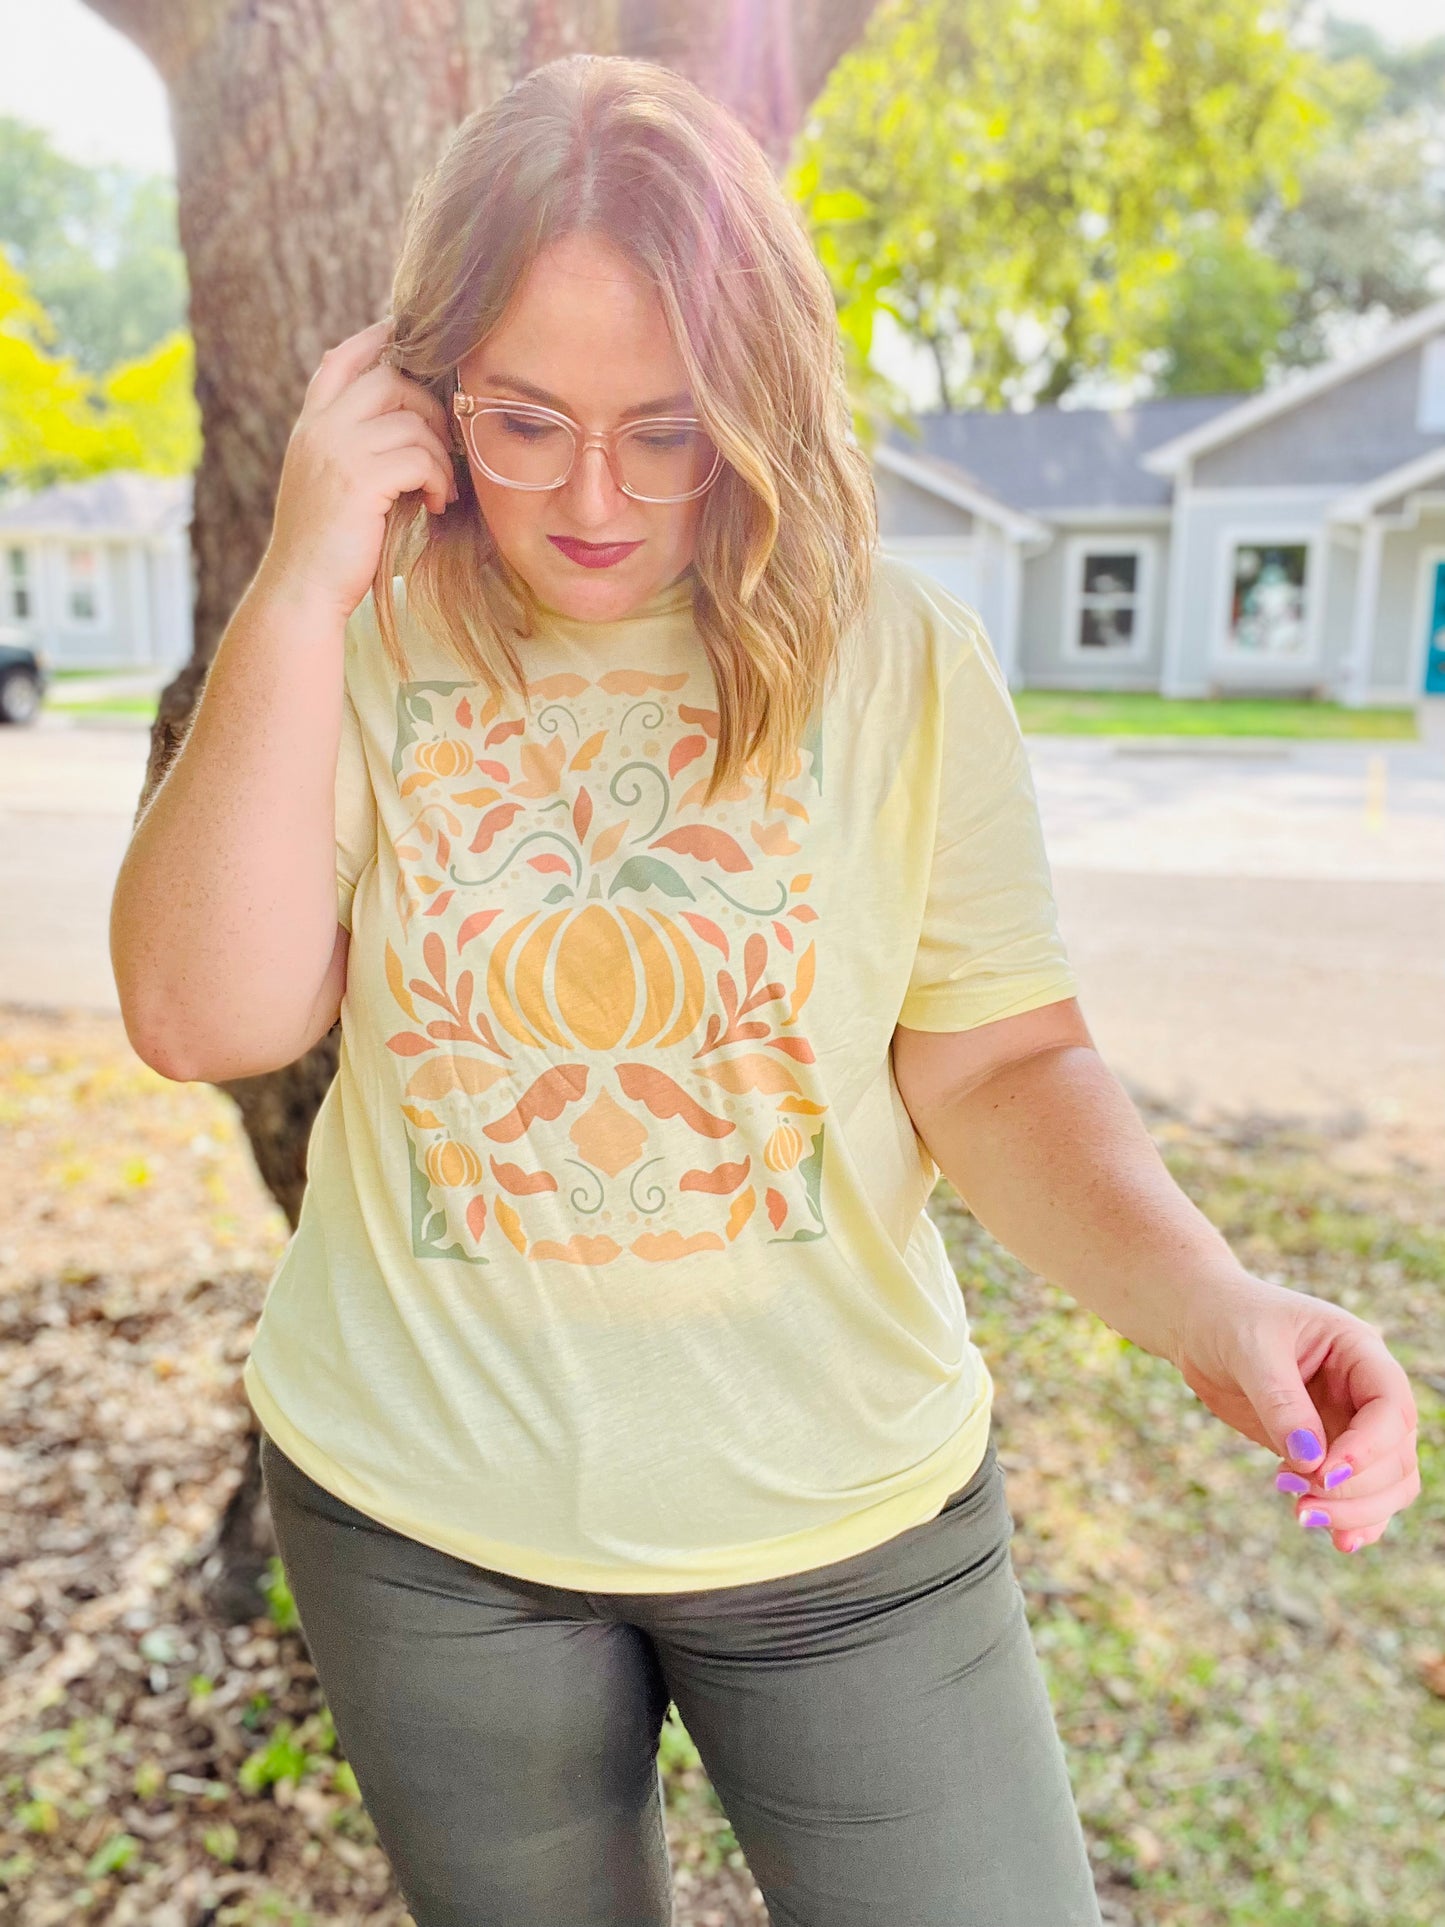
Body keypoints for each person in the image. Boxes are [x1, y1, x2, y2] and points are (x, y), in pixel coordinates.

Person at [109, 52, 1421, 1927]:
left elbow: (997, 1059)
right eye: (520, 417)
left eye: (667, 425)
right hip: (422, 1527)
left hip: (851, 1528)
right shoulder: (364, 640)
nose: (590, 495)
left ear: (761, 394)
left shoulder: (895, 653)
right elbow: (198, 1016)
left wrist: (1204, 1300)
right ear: (421, 389)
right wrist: (303, 580)